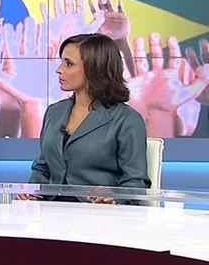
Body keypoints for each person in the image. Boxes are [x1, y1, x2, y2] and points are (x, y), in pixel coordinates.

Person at [25, 33, 150, 204]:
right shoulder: (54, 112)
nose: (59, 69)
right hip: (49, 209)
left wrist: (114, 197)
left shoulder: (127, 120)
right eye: (62, 62)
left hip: (98, 213)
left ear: (94, 68)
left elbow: (136, 182)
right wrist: (31, 192)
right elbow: (43, 168)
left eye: (69, 64)